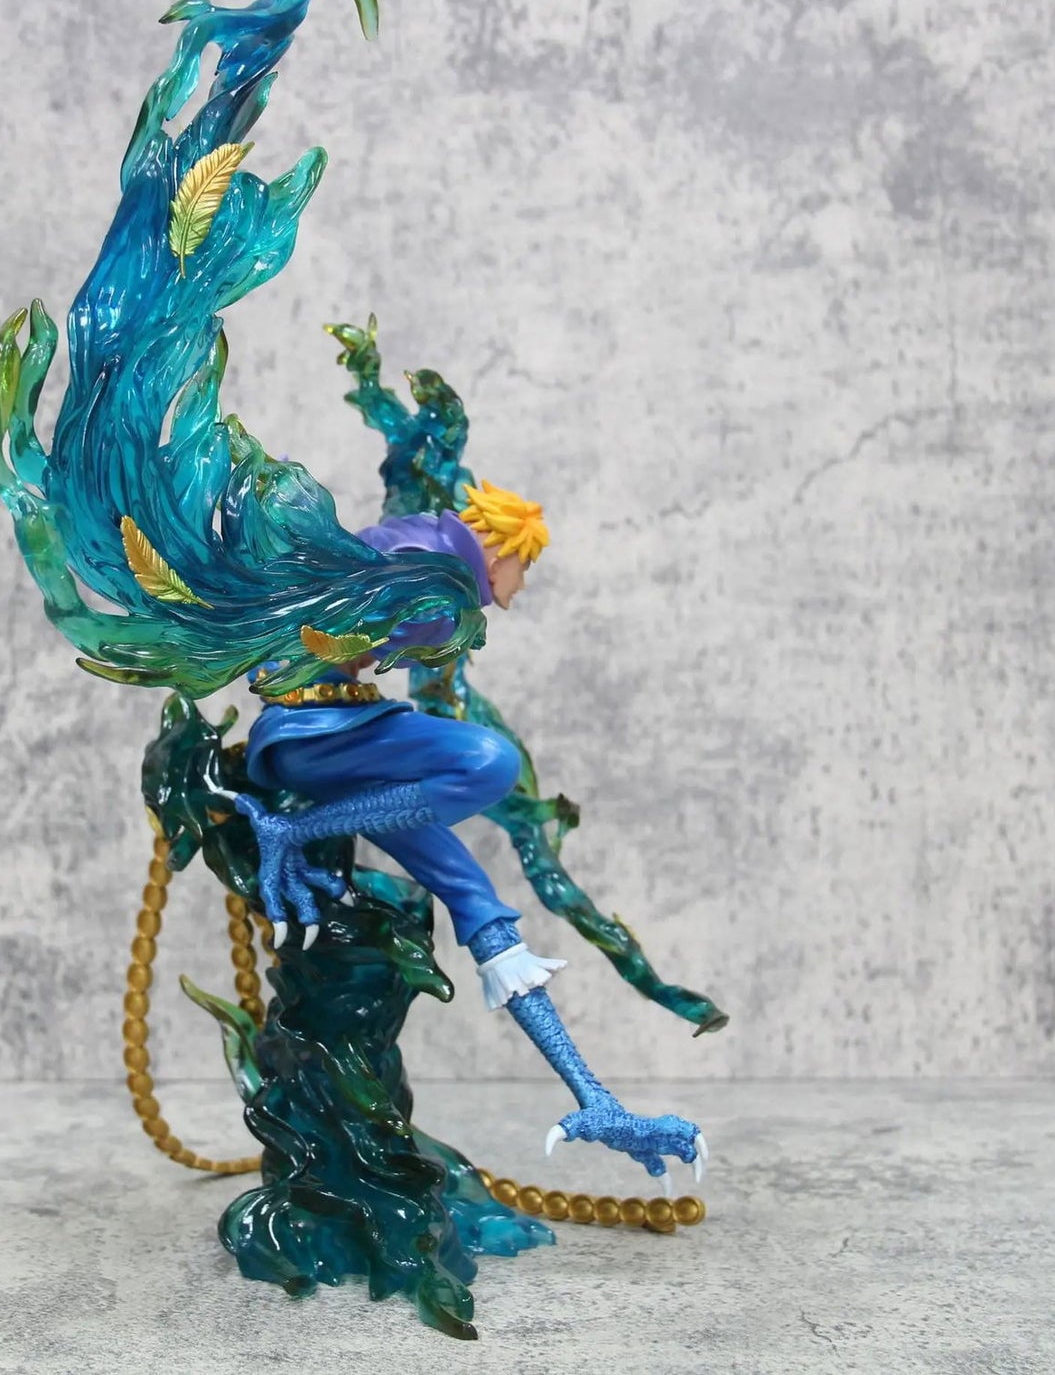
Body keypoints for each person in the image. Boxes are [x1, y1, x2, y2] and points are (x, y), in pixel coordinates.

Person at [235, 481, 707, 1183]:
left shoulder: (435, 570)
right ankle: (295, 829)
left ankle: (596, 1101)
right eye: (524, 567)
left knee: (477, 902)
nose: (519, 587)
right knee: (490, 761)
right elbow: (333, 609)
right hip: (313, 732)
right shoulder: (429, 561)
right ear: (504, 547)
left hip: (346, 735)